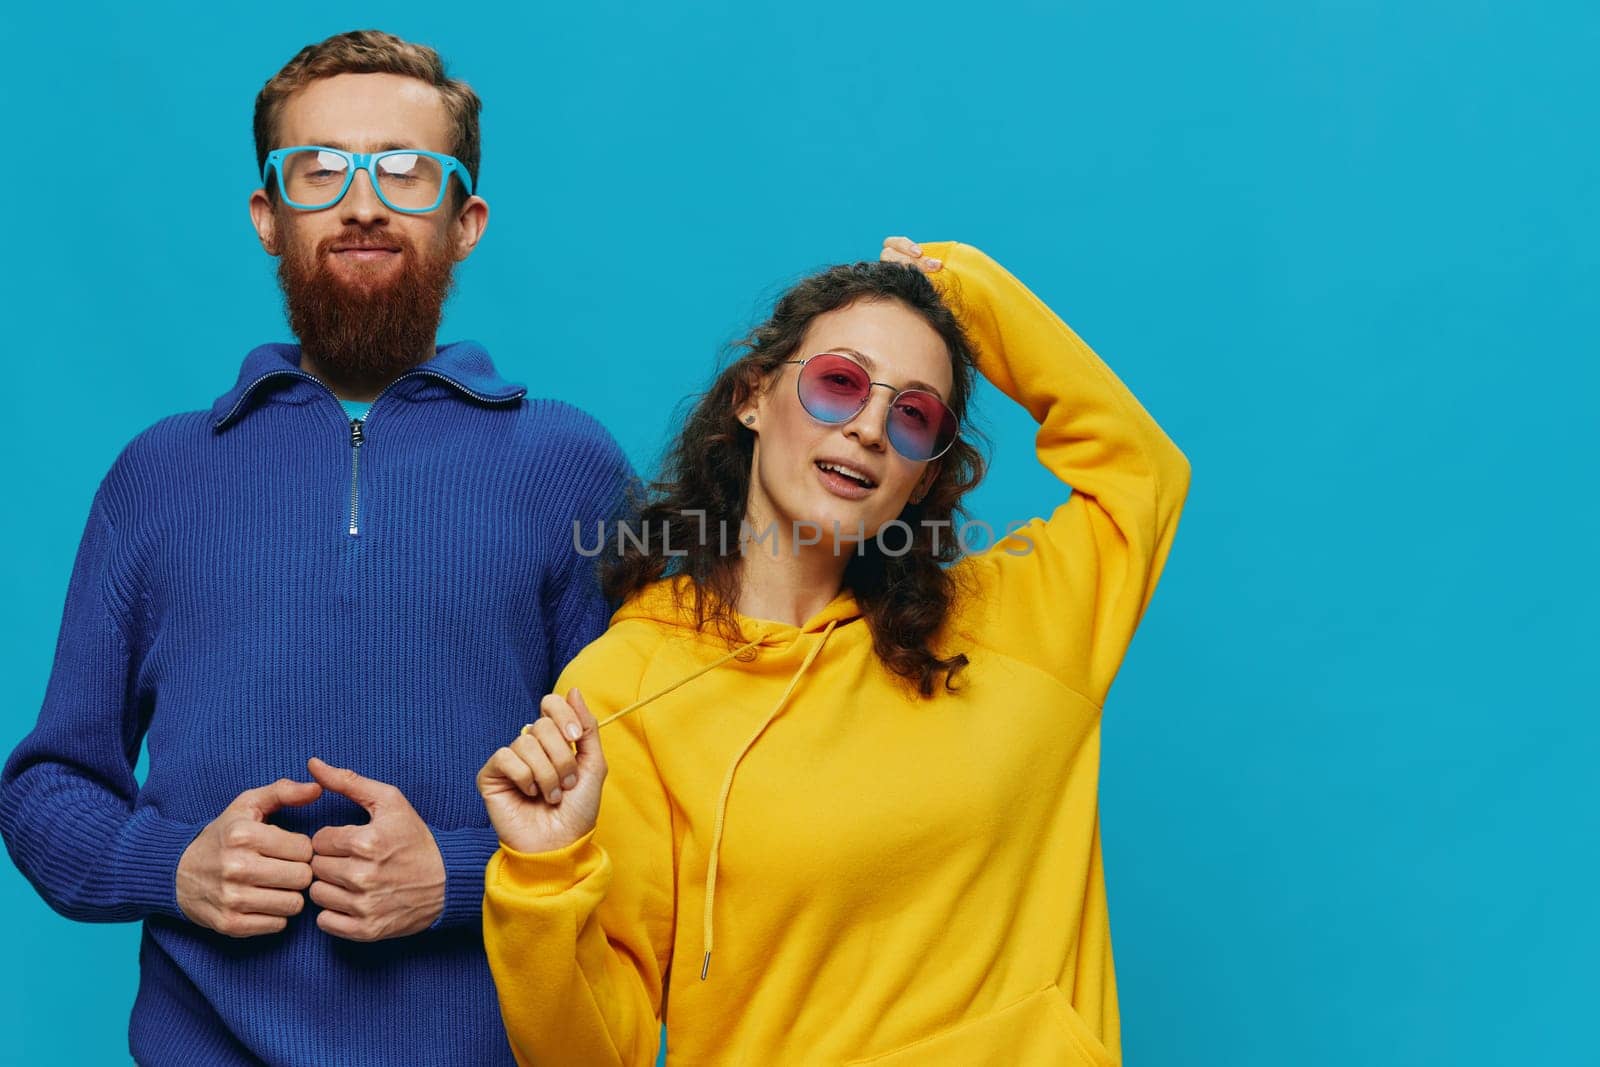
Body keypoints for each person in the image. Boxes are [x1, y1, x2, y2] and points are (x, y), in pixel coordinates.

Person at [0, 29, 630, 1066]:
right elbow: (46, 788)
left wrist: (462, 876)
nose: (363, 199)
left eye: (406, 169)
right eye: (319, 168)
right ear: (268, 215)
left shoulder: (566, 466)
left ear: (464, 221)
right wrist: (171, 866)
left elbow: (647, 793)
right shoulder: (157, 475)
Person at [475, 236, 1191, 1064]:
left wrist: (956, 287)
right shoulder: (628, 682)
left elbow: (1142, 473)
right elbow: (597, 1053)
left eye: (914, 414)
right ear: (752, 395)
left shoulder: (1016, 623)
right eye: (838, 384)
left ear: (924, 475)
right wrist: (541, 876)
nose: (869, 428)